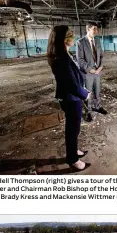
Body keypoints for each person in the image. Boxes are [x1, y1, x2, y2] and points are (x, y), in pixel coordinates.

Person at [47, 25, 91, 171]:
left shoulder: (64, 55)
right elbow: (71, 85)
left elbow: (73, 79)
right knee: (72, 129)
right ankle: (72, 159)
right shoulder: (62, 59)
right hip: (71, 98)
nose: (74, 37)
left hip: (71, 97)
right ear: (64, 39)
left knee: (73, 128)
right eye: (71, 35)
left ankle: (74, 150)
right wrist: (85, 94)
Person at [76, 22, 107, 122]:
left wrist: (100, 66)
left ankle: (97, 107)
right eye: (94, 29)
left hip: (97, 72)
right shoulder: (80, 42)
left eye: (96, 29)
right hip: (88, 73)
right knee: (88, 93)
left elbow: (101, 55)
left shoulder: (97, 41)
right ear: (88, 29)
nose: (96, 31)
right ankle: (88, 111)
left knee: (97, 90)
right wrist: (90, 69)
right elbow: (80, 60)